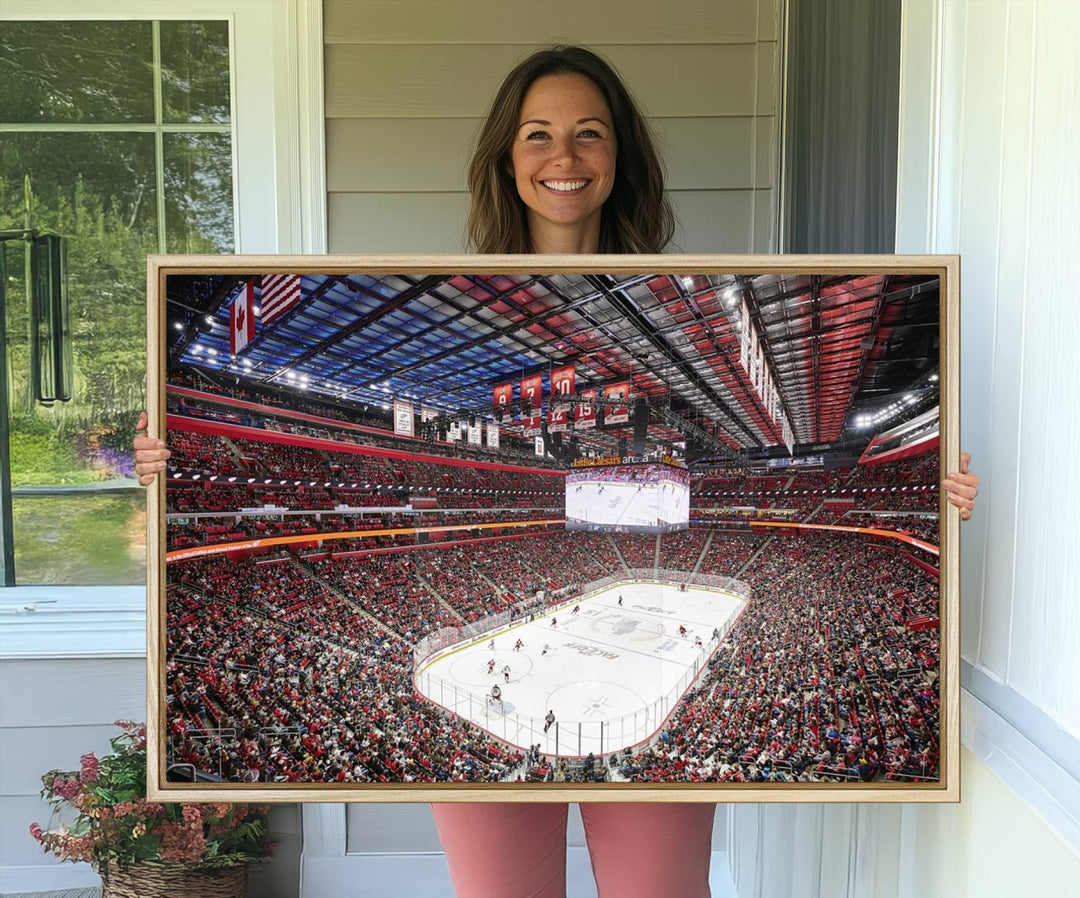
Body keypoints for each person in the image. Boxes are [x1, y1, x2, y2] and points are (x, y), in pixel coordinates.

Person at [134, 43, 981, 898]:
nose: (563, 157)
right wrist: (159, 465)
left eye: (589, 134)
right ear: (507, 158)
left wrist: (933, 494)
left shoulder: (699, 286)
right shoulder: (450, 285)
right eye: (537, 134)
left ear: (620, 158)